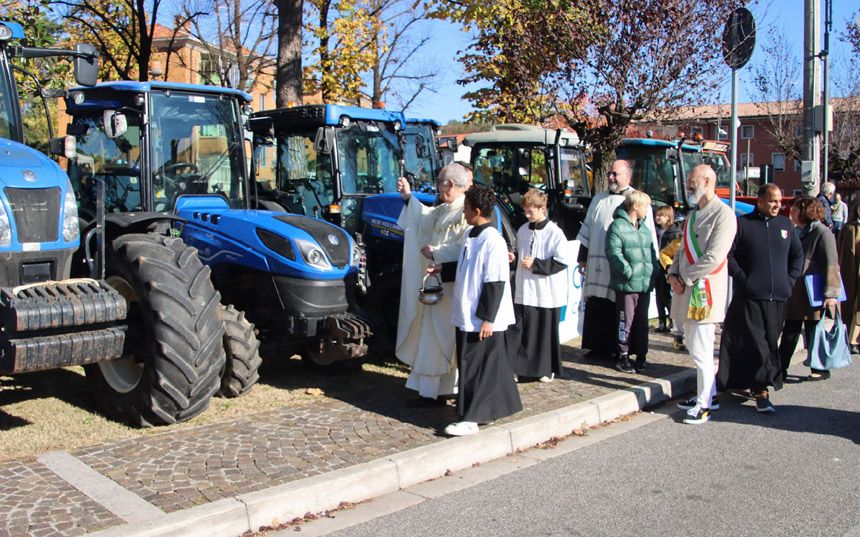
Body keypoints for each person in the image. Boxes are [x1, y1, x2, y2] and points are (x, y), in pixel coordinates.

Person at [717, 184, 803, 413]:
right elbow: (729, 255)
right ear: (761, 201)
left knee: (769, 341)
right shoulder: (743, 224)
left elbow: (797, 256)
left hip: (778, 298)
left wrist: (789, 281)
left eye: (779, 202)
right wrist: (744, 279)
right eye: (773, 201)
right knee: (755, 343)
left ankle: (759, 382)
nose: (777, 205)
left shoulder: (786, 225)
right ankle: (760, 389)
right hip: (750, 296)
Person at [445, 185, 522, 436]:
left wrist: (488, 318)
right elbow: (466, 266)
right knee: (481, 366)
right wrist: (442, 270)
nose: (463, 212)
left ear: (477, 211)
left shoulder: (493, 241)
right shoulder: (472, 235)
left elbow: (495, 281)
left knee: (475, 368)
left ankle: (471, 417)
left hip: (481, 317)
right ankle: (488, 410)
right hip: (467, 312)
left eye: (466, 208)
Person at [395, 163, 471, 404]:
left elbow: (465, 246)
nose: (437, 187)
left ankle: (440, 389)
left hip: (451, 285)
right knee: (431, 335)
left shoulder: (466, 212)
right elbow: (423, 218)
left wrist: (436, 252)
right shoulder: (444, 209)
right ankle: (432, 389)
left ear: (450, 184)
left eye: (439, 182)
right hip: (436, 284)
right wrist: (409, 197)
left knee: (442, 337)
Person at [669, 165, 737, 425]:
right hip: (686, 289)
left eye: (692, 180)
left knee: (702, 349)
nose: (688, 184)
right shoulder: (693, 215)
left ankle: (704, 404)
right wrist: (673, 274)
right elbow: (680, 250)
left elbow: (714, 256)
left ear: (707, 181)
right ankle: (708, 393)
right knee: (693, 345)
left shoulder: (724, 215)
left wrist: (686, 278)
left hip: (704, 293)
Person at [576, 159, 656, 360]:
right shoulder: (598, 199)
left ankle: (621, 348)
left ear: (628, 176)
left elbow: (648, 236)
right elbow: (587, 229)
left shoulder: (637, 200)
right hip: (598, 262)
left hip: (625, 264)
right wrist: (582, 257)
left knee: (622, 310)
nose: (611, 177)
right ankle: (598, 346)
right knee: (598, 303)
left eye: (615, 174)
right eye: (610, 173)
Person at [507, 189, 569, 382]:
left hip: (545, 292)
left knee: (542, 332)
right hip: (524, 289)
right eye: (525, 211)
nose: (527, 215)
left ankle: (545, 369)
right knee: (519, 330)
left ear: (542, 208)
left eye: (530, 211)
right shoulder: (523, 230)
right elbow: (521, 252)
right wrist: (514, 258)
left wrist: (536, 264)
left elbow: (562, 260)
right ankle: (517, 367)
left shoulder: (555, 233)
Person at [778, 196, 841, 381]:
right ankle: (780, 370)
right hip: (796, 291)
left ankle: (819, 368)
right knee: (790, 332)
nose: (791, 211)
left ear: (805, 211)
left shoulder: (822, 232)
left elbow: (831, 263)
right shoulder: (796, 230)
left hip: (813, 292)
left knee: (814, 332)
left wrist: (831, 293)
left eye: (795, 209)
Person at [605, 190, 659, 373]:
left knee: (642, 322)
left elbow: (651, 252)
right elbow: (613, 253)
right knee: (625, 322)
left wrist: (654, 270)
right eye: (645, 206)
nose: (648, 210)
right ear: (636, 206)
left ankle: (642, 355)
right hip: (627, 285)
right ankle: (623, 356)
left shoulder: (644, 229)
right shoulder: (617, 227)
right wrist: (628, 271)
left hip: (644, 284)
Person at [837, 199, 860, 355]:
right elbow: (841, 251)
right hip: (850, 271)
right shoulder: (849, 228)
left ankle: (856, 339)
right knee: (850, 304)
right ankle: (849, 339)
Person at [654, 206, 681, 334]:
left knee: (667, 296)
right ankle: (662, 322)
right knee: (659, 295)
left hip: (668, 268)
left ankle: (672, 321)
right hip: (658, 267)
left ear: (668, 217)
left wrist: (670, 267)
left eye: (661, 215)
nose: (657, 218)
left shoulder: (674, 233)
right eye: (657, 215)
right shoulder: (656, 231)